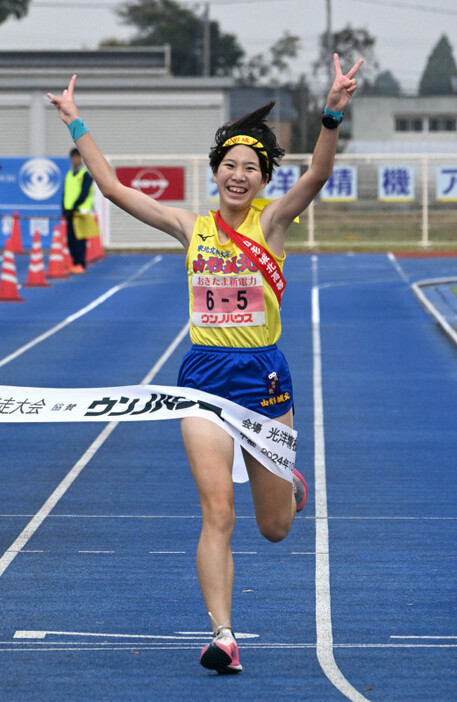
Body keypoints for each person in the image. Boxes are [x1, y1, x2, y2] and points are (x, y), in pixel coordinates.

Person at [48, 52, 362, 675]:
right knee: (217, 509)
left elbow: (319, 176)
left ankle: (287, 487)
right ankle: (223, 634)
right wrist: (75, 122)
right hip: (202, 383)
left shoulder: (273, 222)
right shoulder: (190, 228)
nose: (238, 175)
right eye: (229, 165)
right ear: (215, 172)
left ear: (264, 178)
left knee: (273, 528)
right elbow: (112, 188)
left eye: (250, 167)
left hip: (265, 381)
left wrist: (331, 114)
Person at [62, 146, 95, 274]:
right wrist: (64, 208)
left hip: (80, 212)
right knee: (71, 240)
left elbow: (84, 193)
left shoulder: (85, 175)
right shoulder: (69, 175)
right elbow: (65, 194)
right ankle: (75, 263)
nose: (75, 160)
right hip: (70, 213)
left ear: (81, 159)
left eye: (77, 157)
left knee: (79, 239)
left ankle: (80, 263)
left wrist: (75, 206)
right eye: (73, 157)